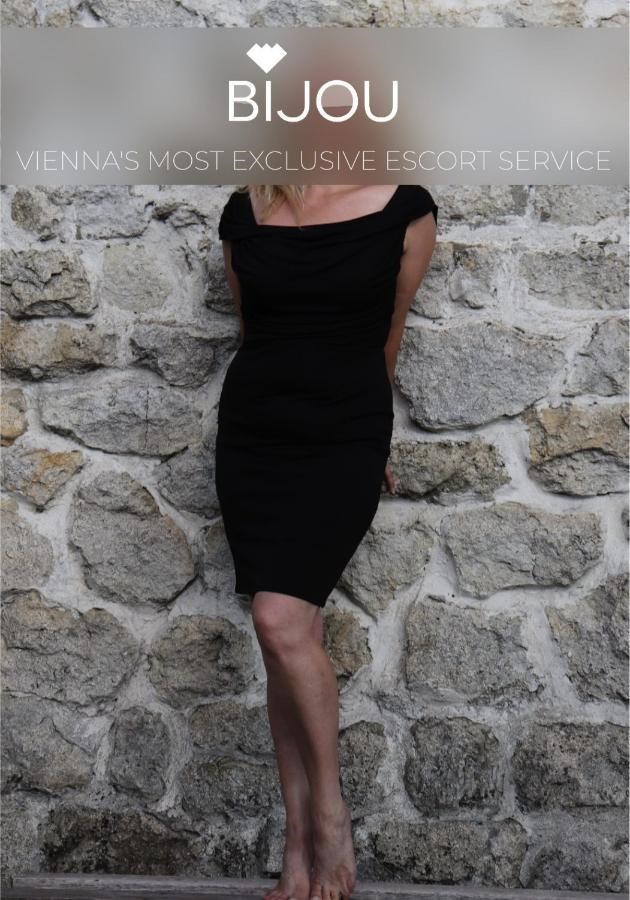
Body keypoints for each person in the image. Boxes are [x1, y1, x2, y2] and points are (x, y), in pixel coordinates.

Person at [215, 184, 438, 900]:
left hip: (345, 433)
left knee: (278, 621)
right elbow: (253, 329)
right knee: (289, 634)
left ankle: (330, 820)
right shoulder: (245, 211)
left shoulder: (406, 210)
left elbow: (389, 334)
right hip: (254, 436)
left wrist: (375, 440)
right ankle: (297, 839)